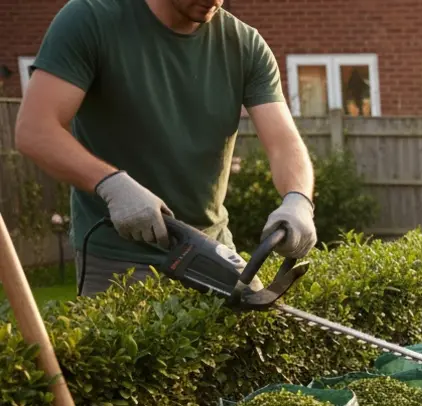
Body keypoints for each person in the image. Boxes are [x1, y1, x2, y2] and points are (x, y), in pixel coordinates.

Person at [14, 0, 316, 297]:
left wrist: (298, 199)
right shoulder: (90, 19)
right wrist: (112, 185)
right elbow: (35, 130)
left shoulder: (244, 44)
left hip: (212, 252)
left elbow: (283, 143)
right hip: (119, 261)